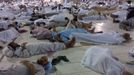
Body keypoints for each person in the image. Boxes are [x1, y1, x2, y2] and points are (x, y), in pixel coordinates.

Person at [2, 37, 75, 58]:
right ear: (12, 47)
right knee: (50, 46)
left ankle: (65, 44)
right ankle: (67, 45)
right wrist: (23, 47)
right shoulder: (17, 52)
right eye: (13, 43)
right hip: (36, 49)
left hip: (35, 46)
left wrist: (23, 45)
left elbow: (21, 46)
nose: (15, 43)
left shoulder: (17, 47)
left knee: (50, 45)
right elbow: (27, 55)